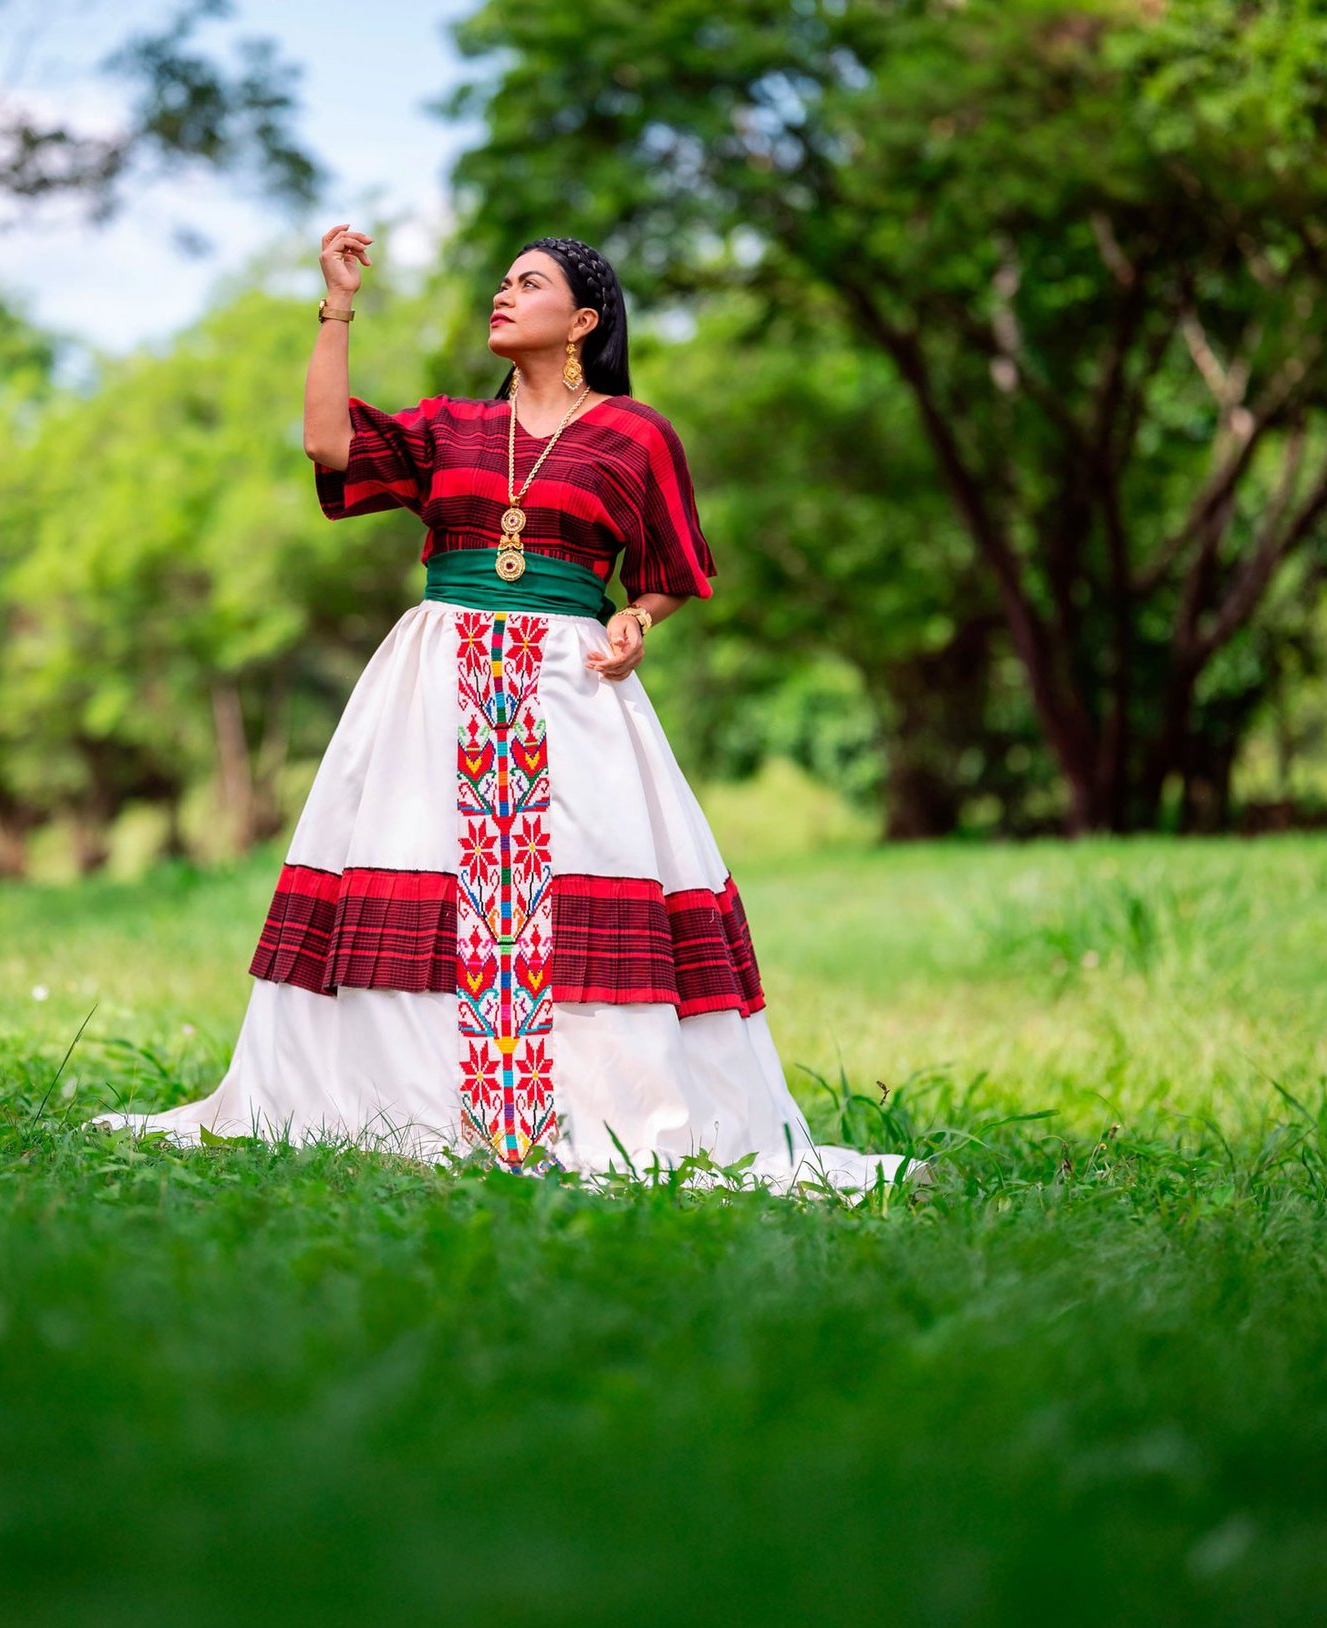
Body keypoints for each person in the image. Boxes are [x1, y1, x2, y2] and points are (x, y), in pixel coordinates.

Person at [95, 225, 913, 1197]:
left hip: (573, 692)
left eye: (528, 282)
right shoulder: (449, 428)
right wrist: (338, 302)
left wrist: (635, 624)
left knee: (581, 896)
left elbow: (671, 574)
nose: (503, 292)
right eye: (501, 279)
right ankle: (409, 1106)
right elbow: (327, 443)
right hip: (432, 690)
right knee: (419, 880)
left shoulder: (637, 435)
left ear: (582, 319)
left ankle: (592, 1108)